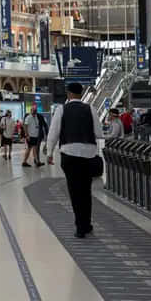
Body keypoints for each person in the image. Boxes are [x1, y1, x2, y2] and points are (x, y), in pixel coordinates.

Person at [45, 82, 104, 238]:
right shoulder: (90, 109)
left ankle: (80, 227)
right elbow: (99, 133)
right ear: (81, 93)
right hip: (88, 155)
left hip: (69, 155)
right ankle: (86, 224)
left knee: (75, 191)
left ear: (68, 94)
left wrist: (49, 153)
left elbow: (53, 133)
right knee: (86, 191)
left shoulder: (61, 110)